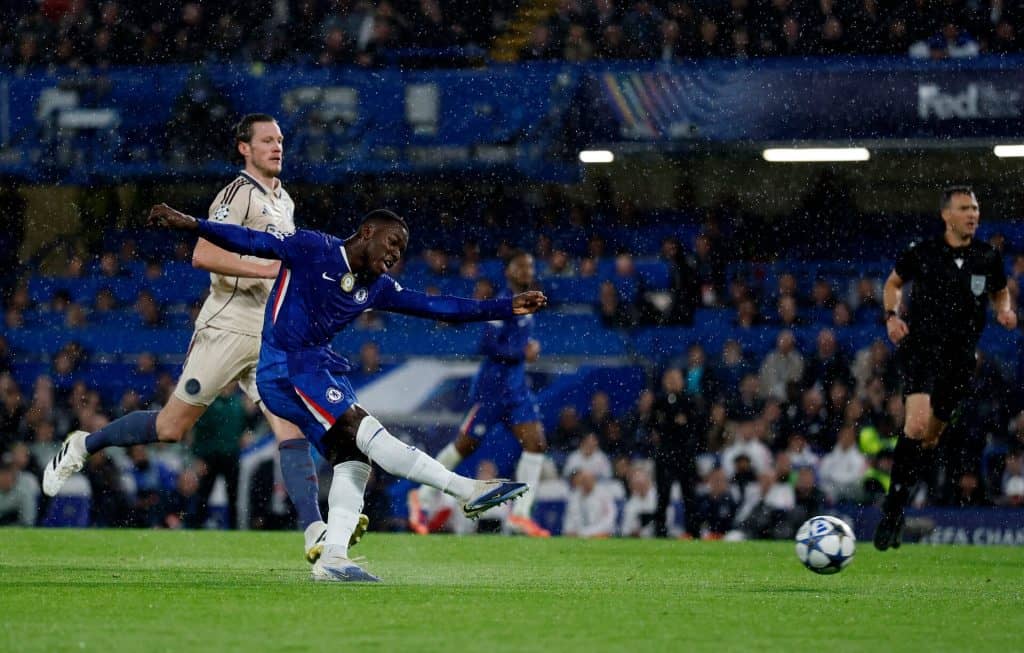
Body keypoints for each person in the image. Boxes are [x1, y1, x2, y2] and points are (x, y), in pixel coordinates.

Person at [143, 203, 546, 581]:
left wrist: (505, 307)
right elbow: (254, 242)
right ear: (367, 231)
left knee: (352, 458)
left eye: (402, 250)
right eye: (392, 242)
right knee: (361, 429)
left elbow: (438, 307)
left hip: (313, 368)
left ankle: (333, 557)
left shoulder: (377, 286)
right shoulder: (314, 248)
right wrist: (193, 224)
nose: (395, 254)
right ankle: (465, 489)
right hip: (285, 366)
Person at [42, 114, 348, 562]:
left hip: (269, 334)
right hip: (226, 327)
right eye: (266, 140)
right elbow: (203, 253)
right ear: (244, 147)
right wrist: (265, 268)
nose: (277, 147)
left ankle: (314, 531)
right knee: (170, 427)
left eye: (280, 140)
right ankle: (84, 444)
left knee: (291, 426)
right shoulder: (236, 193)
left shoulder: (284, 201)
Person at [874, 186, 1016, 551]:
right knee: (916, 425)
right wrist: (891, 316)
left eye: (976, 208)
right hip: (922, 349)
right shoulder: (922, 253)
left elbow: (1000, 290)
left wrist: (1004, 309)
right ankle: (894, 509)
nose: (973, 214)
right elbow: (892, 284)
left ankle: (907, 495)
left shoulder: (987, 256)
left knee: (931, 437)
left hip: (960, 359)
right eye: (965, 208)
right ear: (946, 216)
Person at [416, 250, 551, 537]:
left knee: (536, 443)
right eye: (521, 265)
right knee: (464, 446)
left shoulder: (528, 304)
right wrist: (522, 352)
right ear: (509, 271)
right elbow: (489, 346)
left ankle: (521, 516)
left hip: (516, 391)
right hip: (491, 390)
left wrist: (527, 351)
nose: (527, 269)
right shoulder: (501, 304)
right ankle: (424, 494)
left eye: (530, 265)